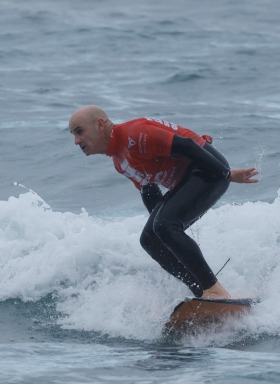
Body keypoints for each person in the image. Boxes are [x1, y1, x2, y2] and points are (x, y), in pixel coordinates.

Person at [68, 105, 258, 300]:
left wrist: (227, 174)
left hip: (208, 168)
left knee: (164, 225)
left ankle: (215, 291)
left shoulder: (135, 135)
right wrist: (164, 234)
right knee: (149, 239)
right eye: (73, 135)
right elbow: (148, 191)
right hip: (191, 179)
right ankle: (201, 292)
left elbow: (187, 146)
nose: (76, 141)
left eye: (79, 131)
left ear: (100, 124)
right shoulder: (119, 161)